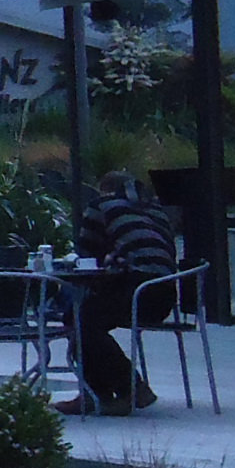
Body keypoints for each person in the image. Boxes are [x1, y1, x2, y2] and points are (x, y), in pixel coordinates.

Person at [68, 171, 173, 415]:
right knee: (83, 317)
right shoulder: (156, 210)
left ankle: (126, 389)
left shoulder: (102, 205)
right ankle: (97, 394)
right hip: (165, 296)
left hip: (138, 289)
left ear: (104, 189)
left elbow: (86, 254)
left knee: (81, 320)